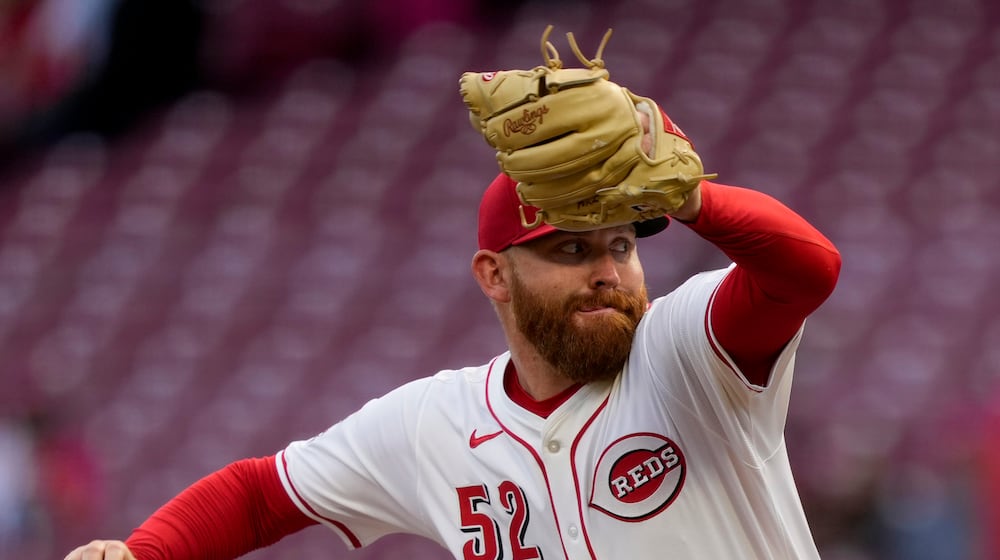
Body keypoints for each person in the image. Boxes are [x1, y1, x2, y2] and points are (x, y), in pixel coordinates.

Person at [65, 93, 841, 558]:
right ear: (493, 276)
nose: (607, 269)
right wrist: (143, 554)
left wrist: (691, 198)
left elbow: (808, 269)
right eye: (570, 249)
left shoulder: (685, 353)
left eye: (620, 245)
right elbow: (262, 495)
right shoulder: (436, 422)